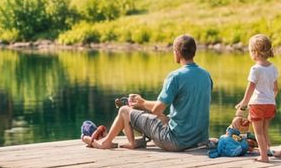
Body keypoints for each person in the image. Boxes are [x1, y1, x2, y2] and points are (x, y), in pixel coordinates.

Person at [84, 34, 212, 152]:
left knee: (124, 110)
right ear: (194, 52)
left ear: (177, 53)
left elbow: (157, 109)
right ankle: (135, 142)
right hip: (198, 141)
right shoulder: (206, 75)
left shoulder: (175, 77)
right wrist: (141, 105)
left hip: (176, 142)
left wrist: (142, 102)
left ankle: (105, 143)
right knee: (163, 117)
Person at [235, 34, 279, 162]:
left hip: (257, 104)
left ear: (255, 52)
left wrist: (243, 104)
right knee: (265, 130)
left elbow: (251, 89)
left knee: (258, 132)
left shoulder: (255, 69)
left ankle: (264, 156)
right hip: (270, 104)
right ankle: (268, 149)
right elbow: (276, 89)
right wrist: (270, 99)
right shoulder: (273, 68)